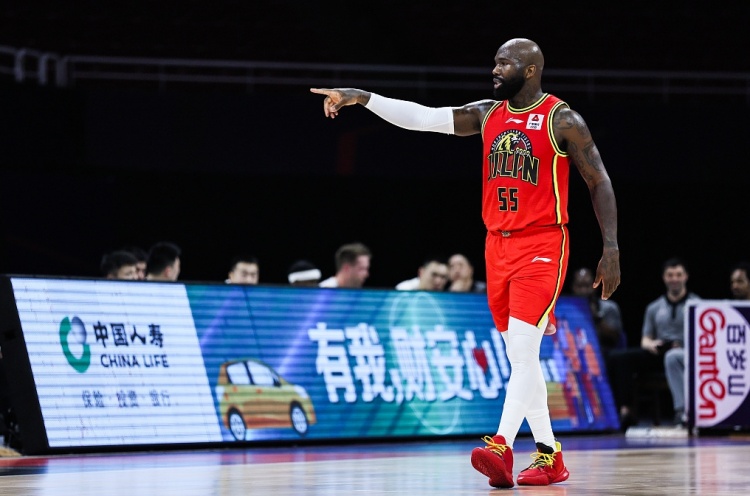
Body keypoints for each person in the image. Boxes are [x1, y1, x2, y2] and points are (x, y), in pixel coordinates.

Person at [312, 37, 619, 488]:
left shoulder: (562, 119)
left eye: (504, 63)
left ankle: (501, 446)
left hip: (542, 244)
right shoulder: (487, 114)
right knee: (521, 357)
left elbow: (598, 180)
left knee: (522, 352)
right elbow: (422, 118)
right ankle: (550, 455)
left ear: (530, 70)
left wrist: (611, 247)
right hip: (497, 247)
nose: (494, 69)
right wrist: (363, 97)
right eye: (495, 61)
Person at [570, 267, 626, 357]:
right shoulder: (565, 311)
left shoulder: (609, 308)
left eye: (587, 286)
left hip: (605, 355)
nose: (583, 291)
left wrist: (596, 317)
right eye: (580, 286)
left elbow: (615, 337)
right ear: (573, 287)